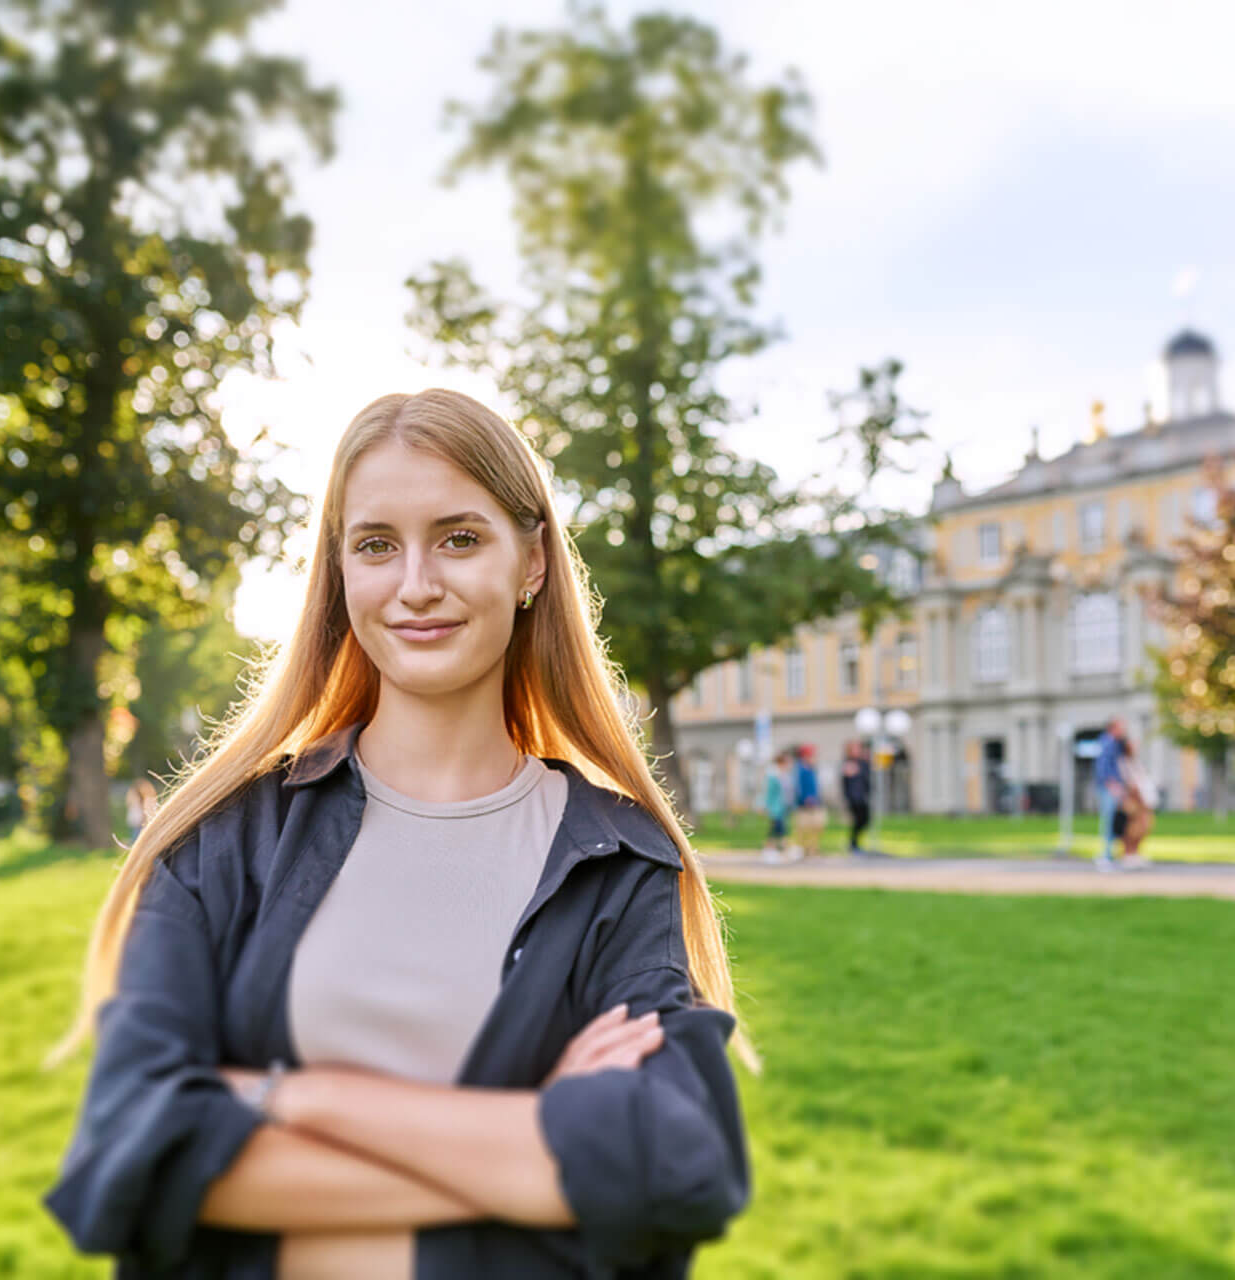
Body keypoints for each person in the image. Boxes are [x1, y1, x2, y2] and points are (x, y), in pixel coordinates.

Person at [42, 390, 752, 1279]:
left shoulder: (618, 860)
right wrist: (542, 1150)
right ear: (339, 572)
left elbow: (675, 1167)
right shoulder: (224, 843)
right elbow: (133, 1160)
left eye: (459, 538)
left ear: (532, 561)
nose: (416, 585)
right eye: (377, 545)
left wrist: (293, 1098)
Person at [1117, 737, 1158, 868]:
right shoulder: (1122, 763)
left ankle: (1135, 854)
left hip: (1143, 800)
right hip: (1132, 800)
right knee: (1131, 829)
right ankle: (1127, 855)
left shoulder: (1135, 762)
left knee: (1143, 827)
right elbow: (1129, 783)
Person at [1094, 717, 1126, 870]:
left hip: (1111, 786)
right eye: (1121, 727)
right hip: (1110, 787)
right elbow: (1103, 766)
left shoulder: (1113, 743)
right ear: (1113, 728)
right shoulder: (1108, 743)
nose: (1123, 730)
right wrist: (1112, 784)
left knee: (1112, 821)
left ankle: (1109, 854)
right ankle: (1106, 855)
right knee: (1109, 821)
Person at [760, 750, 798, 864]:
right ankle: (782, 850)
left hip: (784, 807)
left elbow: (790, 793)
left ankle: (773, 850)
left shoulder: (787, 776)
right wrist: (766, 807)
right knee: (779, 830)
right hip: (776, 808)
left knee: (776, 830)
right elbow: (770, 793)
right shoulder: (773, 776)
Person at [791, 743, 826, 858]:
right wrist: (805, 798)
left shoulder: (811, 769)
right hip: (804, 804)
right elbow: (798, 787)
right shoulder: (799, 770)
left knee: (816, 826)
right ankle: (803, 848)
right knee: (803, 827)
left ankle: (812, 848)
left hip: (815, 802)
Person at [840, 739, 872, 855]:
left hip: (863, 796)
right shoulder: (848, 763)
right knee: (858, 820)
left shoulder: (862, 762)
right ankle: (853, 844)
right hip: (854, 797)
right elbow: (845, 782)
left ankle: (855, 843)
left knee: (865, 820)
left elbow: (867, 776)